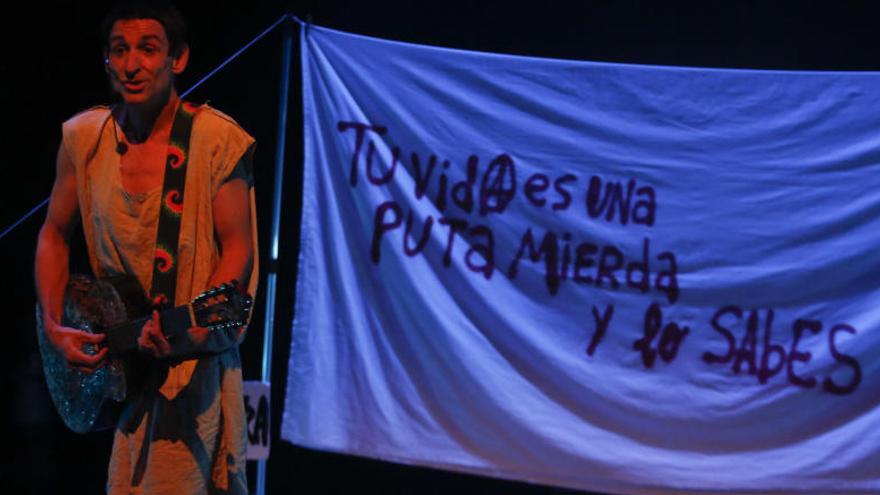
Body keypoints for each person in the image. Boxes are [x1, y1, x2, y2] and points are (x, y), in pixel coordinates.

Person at [34, 2, 257, 493]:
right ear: (107, 62)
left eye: (148, 49)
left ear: (177, 59)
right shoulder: (83, 138)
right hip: (128, 372)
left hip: (193, 372)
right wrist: (54, 326)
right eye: (120, 50)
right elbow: (52, 234)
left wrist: (192, 332)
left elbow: (238, 251)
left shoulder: (217, 141)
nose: (133, 63)